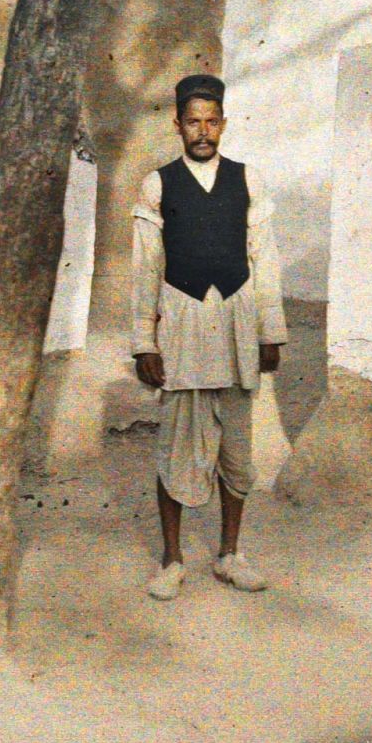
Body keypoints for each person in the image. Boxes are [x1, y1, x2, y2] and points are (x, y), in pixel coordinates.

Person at [131, 73, 289, 600]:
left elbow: (265, 260)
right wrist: (144, 343)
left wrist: (272, 331)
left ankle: (230, 554)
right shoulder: (158, 184)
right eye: (193, 121)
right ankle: (172, 559)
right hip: (182, 322)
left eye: (212, 121)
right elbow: (145, 268)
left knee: (237, 448)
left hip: (238, 323)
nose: (203, 131)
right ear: (177, 124)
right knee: (176, 445)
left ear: (224, 123)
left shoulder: (248, 180)